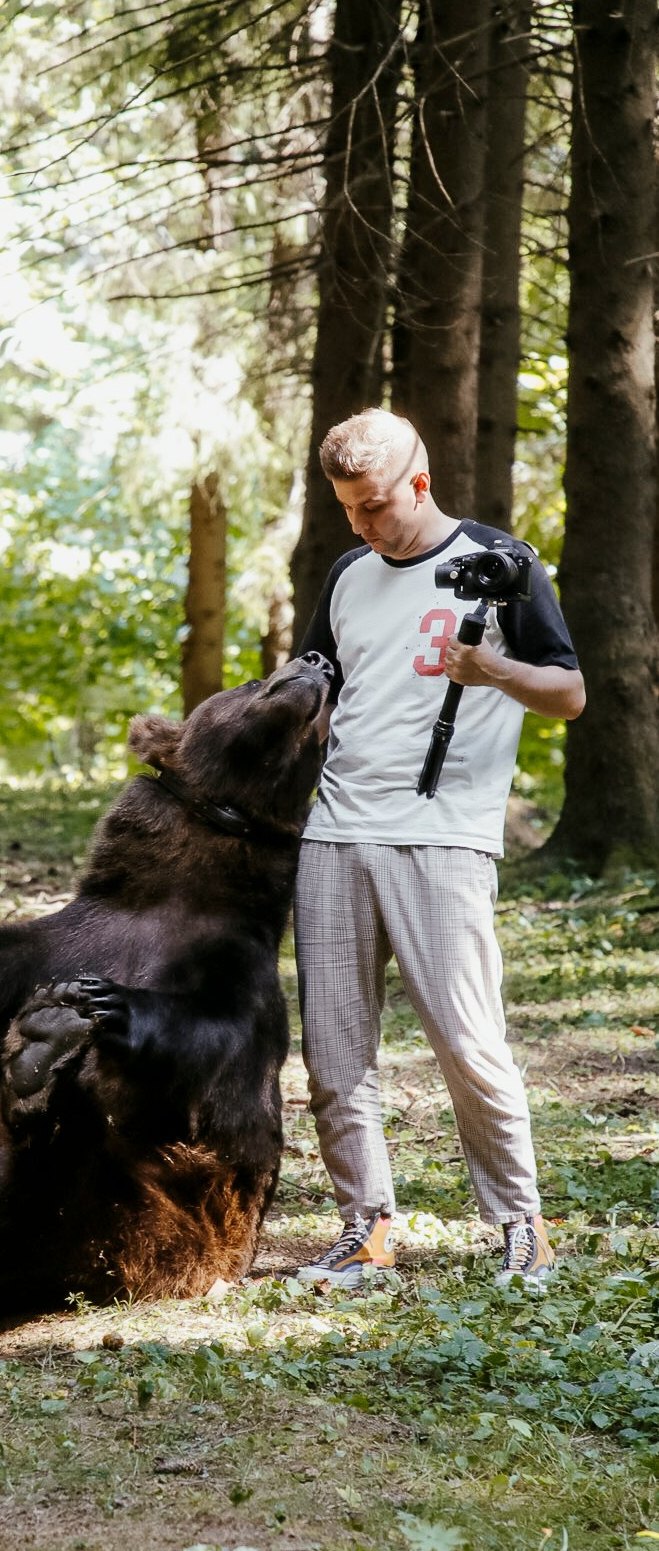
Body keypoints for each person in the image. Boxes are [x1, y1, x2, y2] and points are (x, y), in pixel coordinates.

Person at [292, 408, 585, 1289]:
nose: (360, 524)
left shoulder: (502, 566)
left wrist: (491, 669)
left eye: (374, 506)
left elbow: (567, 692)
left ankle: (520, 1225)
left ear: (417, 483)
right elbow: (313, 688)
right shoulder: (347, 573)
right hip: (335, 834)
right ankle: (366, 1230)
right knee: (335, 1053)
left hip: (442, 837)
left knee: (467, 1040)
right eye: (347, 507)